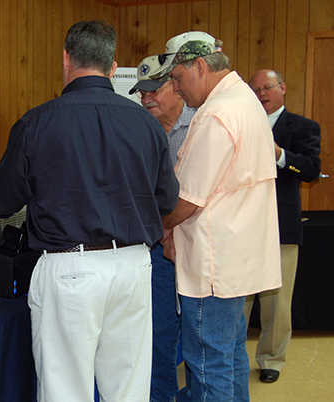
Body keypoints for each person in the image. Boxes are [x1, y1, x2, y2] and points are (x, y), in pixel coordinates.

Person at [0, 20, 179, 402]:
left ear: (65, 60)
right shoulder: (148, 125)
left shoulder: (37, 123)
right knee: (128, 391)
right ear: (112, 67)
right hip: (133, 267)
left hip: (70, 269)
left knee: (65, 392)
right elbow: (167, 201)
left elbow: (3, 202)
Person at [159, 31, 282, 402]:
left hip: (212, 267)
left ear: (200, 66)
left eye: (178, 78)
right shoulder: (243, 100)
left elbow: (187, 201)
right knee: (229, 357)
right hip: (235, 261)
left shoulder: (217, 113)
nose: (176, 90)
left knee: (208, 364)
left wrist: (152, 227)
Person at [243, 69, 321, 383]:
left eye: (268, 87)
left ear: (283, 88)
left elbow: (311, 170)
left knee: (277, 300)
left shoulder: (303, 127)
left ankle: (271, 359)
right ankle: (233, 355)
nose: (262, 93)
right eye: (256, 89)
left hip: (281, 227)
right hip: (243, 226)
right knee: (241, 298)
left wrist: (279, 155)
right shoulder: (241, 125)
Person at [129, 54, 196, 402]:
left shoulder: (204, 123)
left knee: (202, 338)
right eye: (141, 91)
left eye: (154, 88)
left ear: (178, 86)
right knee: (158, 333)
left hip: (198, 246)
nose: (146, 98)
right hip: (156, 247)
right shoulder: (137, 128)